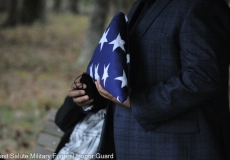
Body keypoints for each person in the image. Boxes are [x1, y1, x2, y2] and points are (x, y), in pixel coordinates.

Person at [55, 0, 230, 159]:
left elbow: (204, 77)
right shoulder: (141, 4)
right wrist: (93, 94)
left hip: (178, 149)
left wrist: (138, 101)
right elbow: (134, 70)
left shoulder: (202, 4)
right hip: (133, 145)